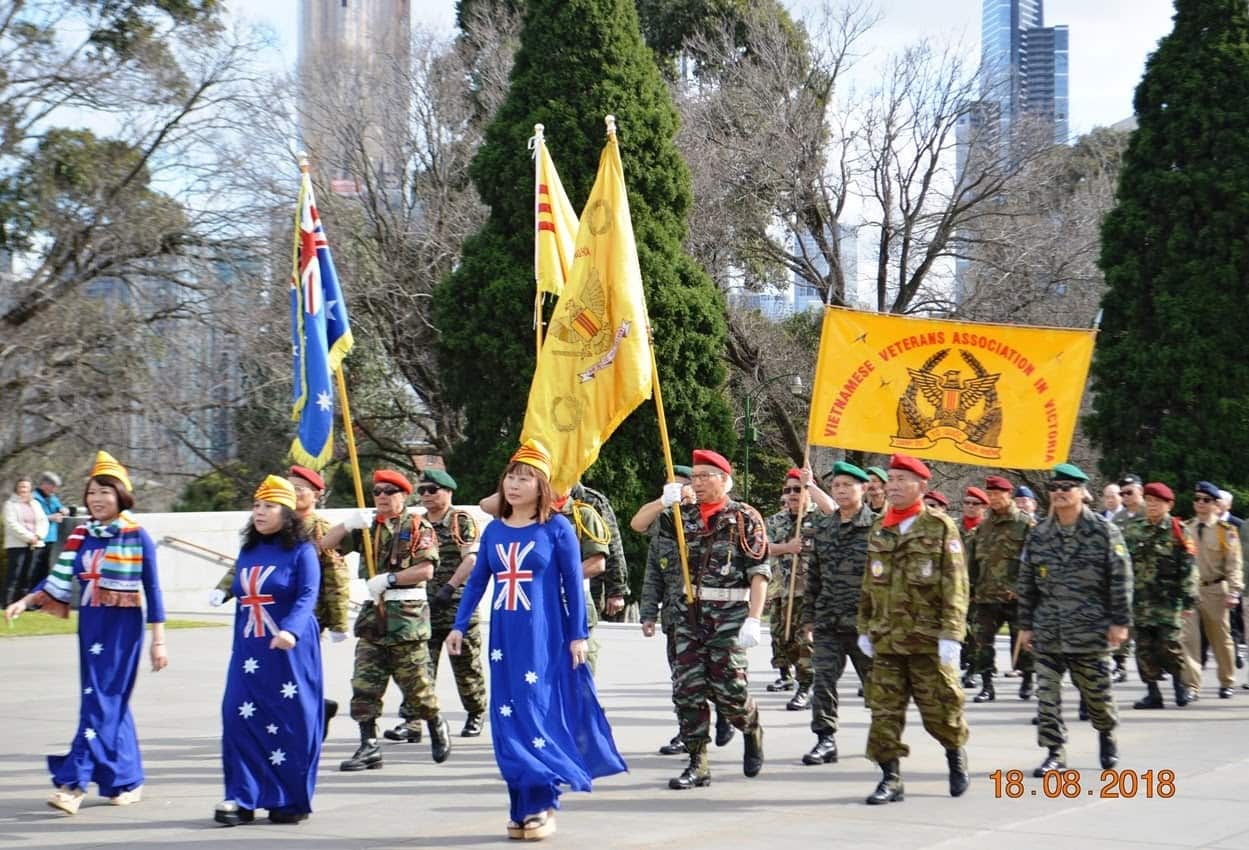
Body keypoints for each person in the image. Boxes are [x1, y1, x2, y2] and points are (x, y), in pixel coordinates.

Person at [446, 440, 626, 841]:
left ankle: (542, 802)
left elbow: (573, 586)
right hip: (503, 640)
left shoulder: (557, 528)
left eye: (525, 479)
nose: (514, 485)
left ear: (542, 486)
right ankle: (520, 806)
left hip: (544, 637)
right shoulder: (494, 530)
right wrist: (458, 625)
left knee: (535, 714)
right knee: (506, 718)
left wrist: (578, 635)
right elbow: (477, 582)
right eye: (510, 477)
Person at [5, 451, 167, 815]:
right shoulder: (82, 535)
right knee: (108, 703)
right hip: (91, 625)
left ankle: (73, 784)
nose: (97, 499)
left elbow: (153, 590)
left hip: (122, 629)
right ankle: (127, 780)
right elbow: (58, 577)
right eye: (92, 492)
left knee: (100, 703)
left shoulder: (137, 536)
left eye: (105, 492)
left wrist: (159, 641)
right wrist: (25, 601)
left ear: (121, 495)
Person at [856, 454, 969, 805]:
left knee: (941, 712)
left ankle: (955, 754)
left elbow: (956, 584)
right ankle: (891, 778)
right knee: (883, 714)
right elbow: (869, 583)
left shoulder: (939, 526)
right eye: (890, 479)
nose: (893, 485)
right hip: (887, 639)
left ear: (921, 485)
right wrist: (864, 626)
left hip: (927, 641)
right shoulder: (880, 527)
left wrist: (952, 634)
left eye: (901, 479)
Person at [321, 469, 452, 769]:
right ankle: (369, 746)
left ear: (403, 496)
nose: (381, 496)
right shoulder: (367, 528)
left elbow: (426, 570)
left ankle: (435, 722)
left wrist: (390, 579)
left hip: (407, 619)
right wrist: (347, 524)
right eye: (377, 491)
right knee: (364, 685)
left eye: (389, 491)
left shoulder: (417, 526)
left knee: (417, 687)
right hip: (373, 620)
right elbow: (324, 544)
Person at [210, 465, 350, 742]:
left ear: (316, 494)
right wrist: (224, 589)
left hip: (307, 613)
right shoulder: (262, 534)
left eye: (300, 489)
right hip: (264, 616)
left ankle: (307, 718)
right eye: (290, 487)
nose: (294, 493)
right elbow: (245, 568)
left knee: (294, 679)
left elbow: (335, 577)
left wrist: (339, 621)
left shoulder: (320, 529)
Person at [215, 476, 324, 826]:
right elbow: (240, 590)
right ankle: (241, 797)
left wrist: (291, 630)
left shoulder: (303, 550)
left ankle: (288, 798)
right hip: (249, 649)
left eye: (269, 506)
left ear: (287, 512)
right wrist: (222, 591)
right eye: (256, 506)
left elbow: (308, 594)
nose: (259, 512)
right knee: (237, 716)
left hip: (290, 649)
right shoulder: (248, 550)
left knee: (291, 721)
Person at [662, 449, 770, 791]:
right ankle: (698, 762)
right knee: (687, 690)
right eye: (694, 477)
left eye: (704, 476)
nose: (697, 483)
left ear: (724, 480)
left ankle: (751, 728)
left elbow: (759, 572)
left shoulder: (744, 517)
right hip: (689, 615)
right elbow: (638, 524)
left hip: (729, 616)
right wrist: (663, 501)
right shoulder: (684, 515)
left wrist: (754, 619)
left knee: (731, 691)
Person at [1018, 463, 1132, 777]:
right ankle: (1055, 751)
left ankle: (1106, 732)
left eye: (1066, 487)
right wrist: (1025, 626)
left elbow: (1121, 579)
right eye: (1054, 488)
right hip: (1048, 629)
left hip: (1089, 629)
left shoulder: (1103, 531)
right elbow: (1026, 583)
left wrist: (1120, 622)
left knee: (1097, 696)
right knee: (1046, 695)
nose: (1059, 493)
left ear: (1082, 492)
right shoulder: (1039, 534)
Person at [636, 466, 734, 755]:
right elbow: (653, 572)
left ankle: (725, 711)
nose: (680, 492)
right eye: (672, 488)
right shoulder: (665, 523)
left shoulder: (714, 520)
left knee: (715, 675)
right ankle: (687, 733)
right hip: (676, 616)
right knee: (683, 680)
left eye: (684, 486)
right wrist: (648, 613)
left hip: (712, 616)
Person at [799, 461, 875, 766]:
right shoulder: (824, 528)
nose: (841, 491)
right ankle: (825, 739)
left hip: (866, 624)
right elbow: (814, 576)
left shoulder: (879, 527)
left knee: (877, 687)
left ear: (864, 489)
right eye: (836, 486)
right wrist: (808, 617)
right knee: (823, 680)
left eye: (848, 485)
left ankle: (883, 736)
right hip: (829, 620)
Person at [420, 468, 487, 738]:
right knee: (419, 666)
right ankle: (414, 720)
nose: (426, 495)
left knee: (465, 665)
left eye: (432, 490)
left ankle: (475, 712)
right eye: (421, 491)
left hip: (457, 605)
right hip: (424, 607)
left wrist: (449, 587)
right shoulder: (417, 524)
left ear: (448, 492)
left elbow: (471, 559)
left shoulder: (460, 521)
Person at [1121, 482, 1197, 709]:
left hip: (1168, 601)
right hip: (1140, 600)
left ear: (1169, 505)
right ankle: (1153, 693)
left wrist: (1188, 599)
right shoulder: (1133, 530)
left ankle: (1179, 686)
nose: (1152, 505)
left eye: (1158, 502)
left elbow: (1189, 567)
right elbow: (1122, 564)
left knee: (1169, 645)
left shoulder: (1179, 531)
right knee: (1144, 648)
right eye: (1149, 501)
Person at [966, 475, 1035, 704]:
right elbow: (973, 562)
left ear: (1009, 494)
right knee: (981, 643)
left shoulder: (1025, 524)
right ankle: (987, 685)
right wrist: (971, 589)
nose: (993, 498)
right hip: (986, 596)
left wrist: (1023, 589)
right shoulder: (983, 527)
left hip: (1015, 596)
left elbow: (1034, 561)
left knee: (1024, 643)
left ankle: (1028, 679)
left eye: (997, 494)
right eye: (990, 494)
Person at [1180, 480, 1243, 699]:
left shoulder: (1225, 531)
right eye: (1197, 499)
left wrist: (1234, 591)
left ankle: (1227, 681)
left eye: (1206, 500)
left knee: (1220, 639)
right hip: (1189, 591)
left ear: (1216, 504)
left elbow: (1234, 564)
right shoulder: (1185, 528)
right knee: (1188, 639)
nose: (1200, 503)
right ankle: (1192, 686)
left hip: (1215, 590)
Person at [765, 469, 817, 712]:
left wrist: (812, 485)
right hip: (782, 591)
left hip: (809, 593)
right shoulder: (776, 520)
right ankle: (789, 676)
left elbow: (833, 511)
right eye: (788, 490)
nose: (793, 494)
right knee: (782, 640)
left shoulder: (820, 518)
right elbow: (761, 547)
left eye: (798, 489)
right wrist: (787, 547)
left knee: (805, 641)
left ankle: (806, 687)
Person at [4, 476, 48, 605]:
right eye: (21, 486)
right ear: (17, 488)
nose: (24, 489)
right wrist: (29, 537)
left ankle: (24, 603)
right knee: (15, 574)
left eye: (26, 487)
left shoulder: (35, 504)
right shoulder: (10, 504)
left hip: (36, 544)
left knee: (29, 575)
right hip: (17, 545)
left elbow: (43, 521)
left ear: (30, 489)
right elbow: (12, 524)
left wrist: (38, 536)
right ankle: (7, 602)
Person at [31, 472, 67, 587]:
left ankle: (40, 592)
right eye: (53, 486)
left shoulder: (52, 498)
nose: (54, 490)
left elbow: (60, 507)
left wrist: (63, 510)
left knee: (45, 568)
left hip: (50, 537)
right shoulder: (34, 498)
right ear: (45, 484)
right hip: (38, 538)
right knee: (34, 569)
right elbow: (32, 518)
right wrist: (51, 517)